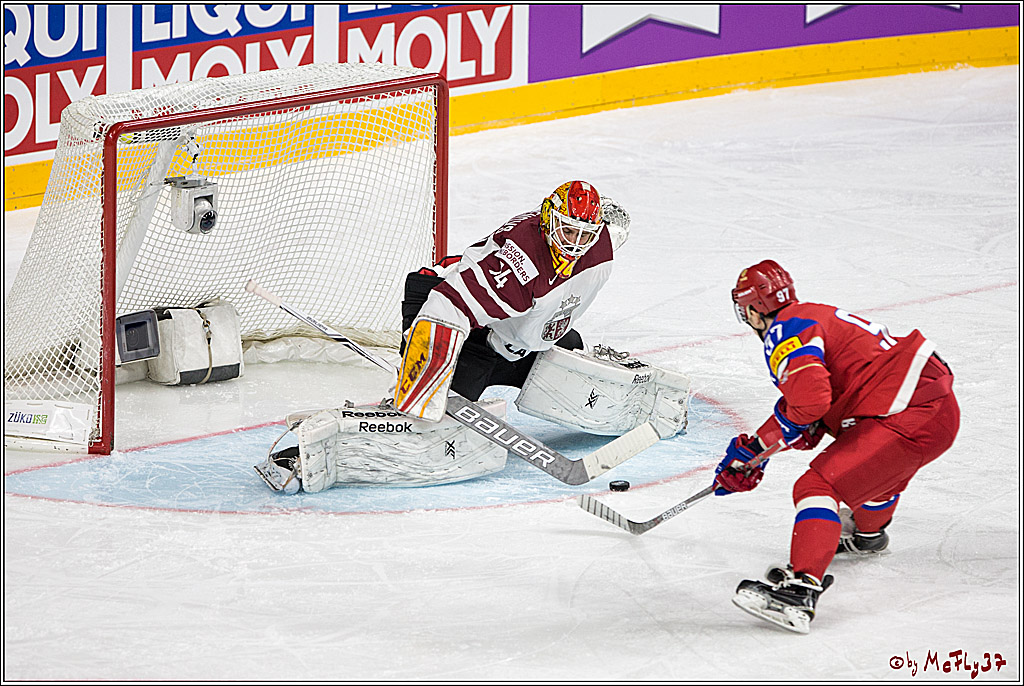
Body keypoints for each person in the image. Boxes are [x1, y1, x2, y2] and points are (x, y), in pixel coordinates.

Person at [716, 259, 959, 634]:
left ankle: (799, 595)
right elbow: (814, 411)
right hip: (930, 410)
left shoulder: (784, 330)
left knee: (817, 486)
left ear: (752, 308)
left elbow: (809, 403)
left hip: (908, 412)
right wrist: (758, 449)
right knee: (866, 464)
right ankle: (867, 534)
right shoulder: (810, 316)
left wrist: (756, 453)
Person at [391, 180, 690, 439]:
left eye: (585, 235)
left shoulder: (601, 240)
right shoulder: (520, 267)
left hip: (520, 335)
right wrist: (421, 390)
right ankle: (416, 376)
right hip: (462, 322)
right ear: (548, 219)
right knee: (446, 413)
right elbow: (448, 305)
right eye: (569, 232)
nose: (575, 244)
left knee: (572, 351)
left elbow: (613, 219)